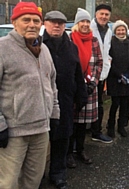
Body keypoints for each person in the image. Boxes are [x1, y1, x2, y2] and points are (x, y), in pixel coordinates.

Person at [0, 2, 60, 189]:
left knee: (33, 180)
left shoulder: (44, 50)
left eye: (36, 20)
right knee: (8, 183)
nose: (32, 24)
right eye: (26, 20)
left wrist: (54, 113)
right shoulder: (3, 48)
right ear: (15, 22)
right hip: (13, 131)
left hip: (41, 129)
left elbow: (52, 84)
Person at [43, 11, 88, 188]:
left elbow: (78, 72)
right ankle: (37, 176)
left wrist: (81, 94)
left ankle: (58, 174)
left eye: (61, 23)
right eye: (53, 22)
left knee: (62, 139)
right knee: (40, 143)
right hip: (43, 101)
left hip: (66, 100)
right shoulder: (37, 45)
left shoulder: (71, 47)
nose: (57, 26)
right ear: (45, 24)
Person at [68, 8, 103, 165]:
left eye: (88, 21)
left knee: (83, 124)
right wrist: (76, 84)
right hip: (73, 88)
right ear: (76, 23)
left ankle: (80, 149)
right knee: (71, 122)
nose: (85, 24)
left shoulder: (94, 40)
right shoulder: (69, 39)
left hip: (89, 87)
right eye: (82, 21)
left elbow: (99, 63)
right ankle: (69, 152)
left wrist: (93, 83)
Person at [106, 20, 129, 138]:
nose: (121, 32)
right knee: (114, 104)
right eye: (119, 30)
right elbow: (109, 61)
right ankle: (110, 126)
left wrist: (127, 75)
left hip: (127, 80)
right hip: (114, 79)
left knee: (125, 105)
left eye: (123, 29)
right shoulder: (111, 43)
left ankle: (121, 126)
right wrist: (119, 75)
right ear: (115, 31)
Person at [90, 4, 113, 143]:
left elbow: (107, 50)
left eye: (107, 15)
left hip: (102, 73)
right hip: (89, 73)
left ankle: (96, 132)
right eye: (101, 14)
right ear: (96, 14)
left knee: (99, 104)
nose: (104, 17)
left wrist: (108, 62)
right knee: (86, 104)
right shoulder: (89, 29)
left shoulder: (109, 31)